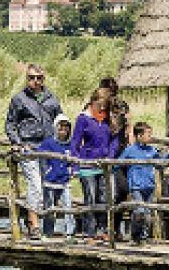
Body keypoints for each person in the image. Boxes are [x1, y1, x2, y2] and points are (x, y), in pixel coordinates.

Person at [5, 64, 63, 240]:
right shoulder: (19, 99)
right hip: (29, 148)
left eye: (39, 78)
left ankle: (47, 227)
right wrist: (18, 142)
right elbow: (10, 124)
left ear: (43, 79)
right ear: (27, 78)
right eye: (31, 77)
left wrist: (62, 142)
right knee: (35, 186)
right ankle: (33, 224)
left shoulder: (52, 99)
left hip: (49, 149)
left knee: (50, 188)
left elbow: (61, 121)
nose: (35, 81)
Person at [70, 89, 119, 244]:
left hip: (104, 165)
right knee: (90, 198)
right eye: (101, 105)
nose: (102, 108)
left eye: (105, 105)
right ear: (94, 101)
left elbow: (114, 139)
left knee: (105, 199)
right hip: (87, 164)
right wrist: (75, 165)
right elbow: (75, 143)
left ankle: (102, 230)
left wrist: (110, 157)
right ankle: (89, 232)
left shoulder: (109, 119)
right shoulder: (83, 118)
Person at [119, 122, 169, 245]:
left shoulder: (152, 150)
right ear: (139, 136)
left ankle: (143, 237)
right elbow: (117, 163)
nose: (150, 136)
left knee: (147, 213)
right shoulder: (130, 150)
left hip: (149, 185)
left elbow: (159, 164)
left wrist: (168, 154)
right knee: (139, 211)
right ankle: (135, 236)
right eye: (148, 134)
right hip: (136, 186)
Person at [100, 77, 132, 236]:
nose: (111, 93)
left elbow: (128, 127)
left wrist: (131, 147)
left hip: (120, 153)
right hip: (100, 153)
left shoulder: (122, 105)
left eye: (113, 90)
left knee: (121, 190)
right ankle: (102, 229)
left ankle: (115, 228)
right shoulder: (95, 106)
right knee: (102, 192)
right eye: (108, 90)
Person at [36, 115, 75, 239]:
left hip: (64, 181)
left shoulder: (69, 145)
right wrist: (47, 171)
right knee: (49, 208)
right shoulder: (48, 143)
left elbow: (74, 160)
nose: (63, 131)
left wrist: (72, 170)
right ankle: (48, 232)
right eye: (61, 127)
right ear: (55, 128)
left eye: (66, 128)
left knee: (68, 207)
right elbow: (38, 154)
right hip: (50, 181)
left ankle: (69, 233)